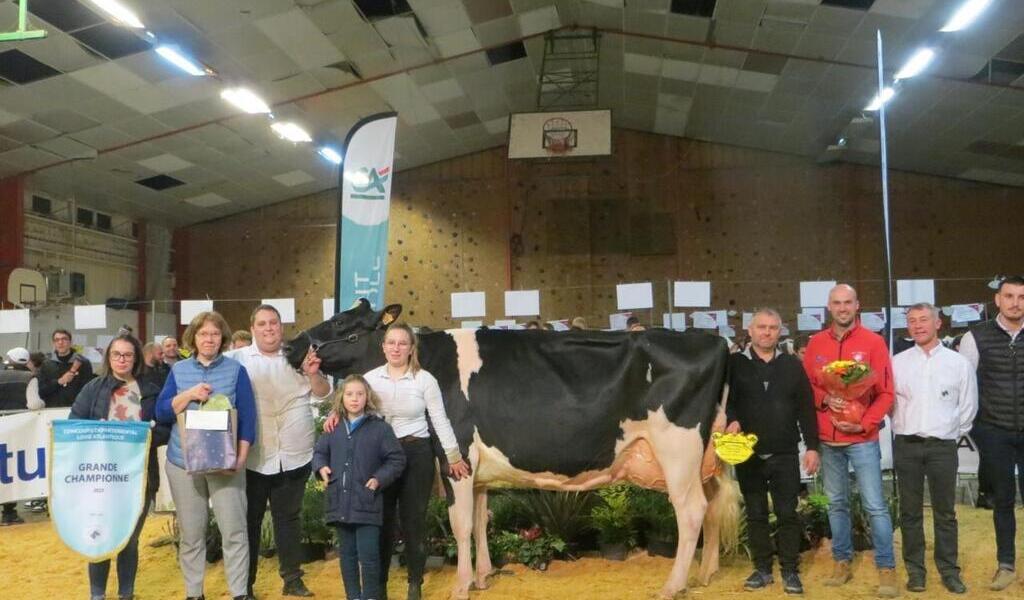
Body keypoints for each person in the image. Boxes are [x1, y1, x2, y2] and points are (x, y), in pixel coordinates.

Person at [325, 323, 470, 600]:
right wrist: (335, 415)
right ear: (383, 346)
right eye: (391, 342)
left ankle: (414, 584)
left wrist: (453, 456)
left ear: (411, 348)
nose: (396, 348)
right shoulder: (370, 378)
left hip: (417, 454)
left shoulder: (425, 380)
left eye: (402, 343)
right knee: (380, 522)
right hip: (379, 457)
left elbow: (439, 419)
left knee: (414, 522)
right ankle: (378, 587)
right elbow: (351, 400)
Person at [227, 305, 330, 598]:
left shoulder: (297, 357)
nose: (269, 328)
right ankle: (244, 585)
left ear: (281, 327)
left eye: (274, 323)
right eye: (262, 324)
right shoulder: (236, 359)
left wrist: (312, 374)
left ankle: (292, 580)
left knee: (289, 519)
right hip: (253, 456)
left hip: (294, 454)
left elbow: (324, 393)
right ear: (253, 328)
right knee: (250, 521)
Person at [802, 284, 897, 598]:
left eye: (848, 302)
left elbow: (885, 393)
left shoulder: (873, 342)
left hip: (862, 439)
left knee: (875, 506)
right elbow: (806, 388)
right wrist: (826, 398)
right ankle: (841, 561)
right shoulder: (815, 343)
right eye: (837, 303)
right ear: (829, 307)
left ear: (858, 305)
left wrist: (864, 424)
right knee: (837, 504)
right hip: (829, 442)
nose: (842, 308)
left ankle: (886, 567)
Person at [155, 311, 257, 600]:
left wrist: (240, 458)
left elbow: (248, 419)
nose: (209, 339)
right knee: (191, 534)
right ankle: (194, 593)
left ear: (222, 338)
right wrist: (188, 395)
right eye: (203, 334)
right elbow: (162, 412)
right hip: (183, 462)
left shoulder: (236, 371)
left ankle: (239, 593)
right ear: (194, 338)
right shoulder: (178, 371)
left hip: (226, 464)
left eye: (214, 334)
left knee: (234, 531)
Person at [725, 309, 819, 595]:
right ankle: (762, 569)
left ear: (780, 332)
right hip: (748, 454)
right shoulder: (734, 364)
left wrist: (813, 447)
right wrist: (731, 418)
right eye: (761, 327)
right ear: (750, 331)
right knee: (755, 514)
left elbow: (805, 408)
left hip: (784, 453)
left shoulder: (791, 365)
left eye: (773, 328)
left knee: (787, 514)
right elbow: (725, 400)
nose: (767, 332)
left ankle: (790, 571)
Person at [71, 334, 170, 600]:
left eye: (128, 354)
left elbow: (165, 429)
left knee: (129, 539)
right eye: (117, 354)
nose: (122, 359)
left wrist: (146, 435)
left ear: (136, 358)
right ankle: (97, 595)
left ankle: (127, 594)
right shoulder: (93, 388)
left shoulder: (150, 390)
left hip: (139, 478)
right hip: (100, 478)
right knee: (99, 535)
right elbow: (75, 424)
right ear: (109, 357)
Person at [892, 303, 976, 594]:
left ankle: (949, 570)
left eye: (924, 319)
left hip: (943, 447)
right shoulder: (897, 363)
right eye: (912, 321)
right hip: (907, 445)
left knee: (945, 513)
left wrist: (949, 434)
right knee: (910, 513)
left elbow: (968, 408)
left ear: (938, 323)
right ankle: (916, 572)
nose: (918, 325)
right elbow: (890, 405)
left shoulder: (958, 364)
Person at [958, 275, 1024, 591]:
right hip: (995, 433)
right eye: (1009, 296)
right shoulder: (975, 337)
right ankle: (1006, 565)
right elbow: (964, 385)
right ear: (997, 300)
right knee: (1003, 503)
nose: (1015, 302)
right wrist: (976, 429)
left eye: (1021, 296)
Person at [314, 375, 405, 600]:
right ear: (341, 398)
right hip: (340, 504)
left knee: (369, 556)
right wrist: (321, 467)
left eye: (360, 394)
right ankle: (353, 596)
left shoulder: (380, 429)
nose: (355, 399)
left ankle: (371, 596)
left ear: (368, 397)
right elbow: (319, 453)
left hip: (368, 503)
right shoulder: (332, 428)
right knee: (347, 556)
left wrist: (378, 479)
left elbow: (397, 459)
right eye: (349, 394)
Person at [1, 347, 34, 526]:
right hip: (19, 430)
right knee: (11, 470)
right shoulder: (29, 378)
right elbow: (34, 403)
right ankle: (9, 512)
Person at [38, 329, 95, 407]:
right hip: (51, 410)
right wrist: (59, 382)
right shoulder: (47, 364)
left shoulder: (83, 363)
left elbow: (89, 390)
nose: (60, 342)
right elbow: (41, 390)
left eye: (64, 339)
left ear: (70, 342)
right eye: (57, 340)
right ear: (53, 343)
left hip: (76, 409)